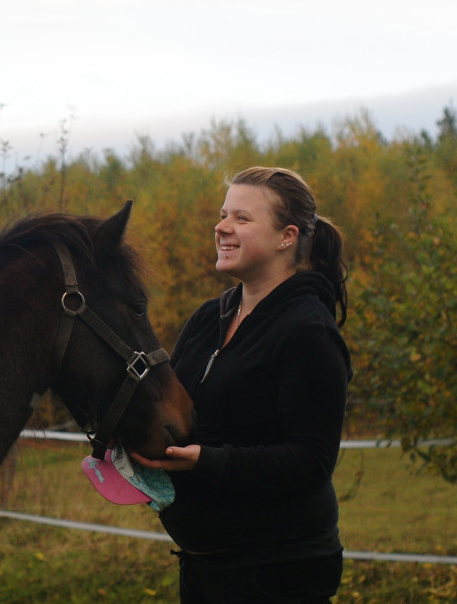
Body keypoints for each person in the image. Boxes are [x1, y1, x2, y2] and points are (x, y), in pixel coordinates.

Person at [133, 166, 352, 603]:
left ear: (286, 236)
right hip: (206, 568)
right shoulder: (207, 319)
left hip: (277, 573)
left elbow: (311, 461)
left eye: (242, 218)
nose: (222, 227)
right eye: (222, 214)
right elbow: (174, 413)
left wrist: (207, 462)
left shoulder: (308, 331)